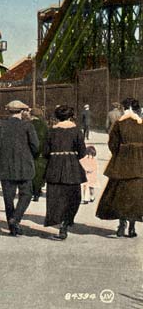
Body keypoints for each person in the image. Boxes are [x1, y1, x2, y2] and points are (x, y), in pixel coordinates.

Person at [0, 100, 39, 236]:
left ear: (9, 111)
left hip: (5, 166)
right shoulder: (28, 126)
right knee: (26, 194)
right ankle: (16, 218)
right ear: (21, 112)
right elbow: (35, 146)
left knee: (8, 198)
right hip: (24, 166)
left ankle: (12, 227)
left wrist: (1, 151)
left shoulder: (1, 126)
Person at [96, 97, 143, 238]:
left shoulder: (119, 124)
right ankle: (133, 227)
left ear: (124, 108)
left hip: (122, 165)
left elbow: (112, 144)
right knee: (136, 196)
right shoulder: (142, 124)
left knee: (121, 195)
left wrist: (120, 155)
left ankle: (122, 225)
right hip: (140, 164)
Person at [43, 105, 87, 240]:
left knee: (55, 197)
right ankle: (66, 223)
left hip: (54, 167)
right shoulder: (76, 130)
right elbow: (82, 152)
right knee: (73, 197)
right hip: (72, 167)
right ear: (71, 116)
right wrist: (70, 157)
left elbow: (45, 152)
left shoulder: (51, 131)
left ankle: (59, 222)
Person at [30, 107, 48, 202]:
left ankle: (33, 192)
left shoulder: (29, 125)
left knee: (32, 173)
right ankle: (37, 192)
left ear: (32, 115)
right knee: (40, 174)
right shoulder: (45, 125)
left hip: (31, 153)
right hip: (42, 154)